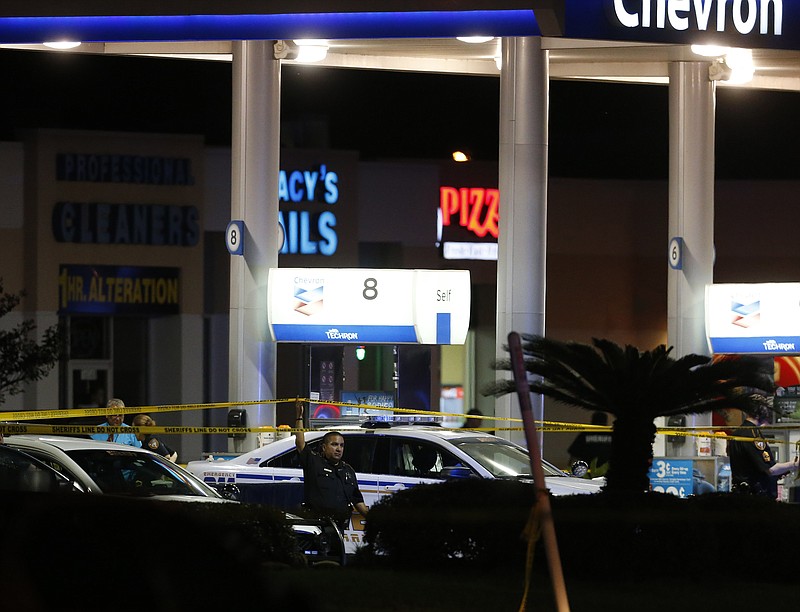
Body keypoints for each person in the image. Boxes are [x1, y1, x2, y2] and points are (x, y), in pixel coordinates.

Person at [294, 400, 368, 531]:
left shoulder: (348, 471)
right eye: (334, 445)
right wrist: (299, 417)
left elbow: (358, 501)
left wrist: (375, 518)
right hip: (316, 526)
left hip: (338, 528)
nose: (339, 449)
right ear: (324, 447)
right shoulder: (314, 462)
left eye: (341, 445)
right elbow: (300, 444)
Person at [728, 398, 799, 498]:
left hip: (741, 493)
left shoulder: (738, 433)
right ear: (759, 412)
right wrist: (794, 464)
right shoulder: (753, 436)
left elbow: (750, 468)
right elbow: (770, 470)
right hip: (756, 497)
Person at [567, 411, 613, 476]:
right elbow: (574, 454)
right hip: (604, 472)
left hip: (587, 472)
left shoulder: (586, 434)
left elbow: (574, 455)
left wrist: (571, 470)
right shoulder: (610, 434)